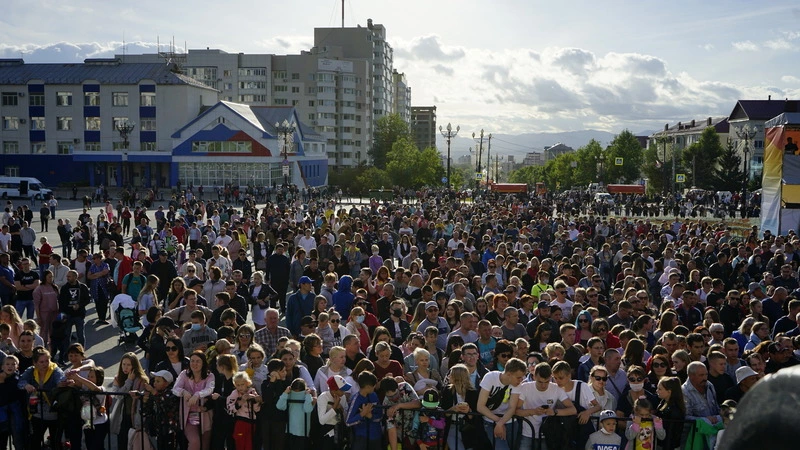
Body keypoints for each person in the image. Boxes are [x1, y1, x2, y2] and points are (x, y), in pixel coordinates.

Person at [515, 361, 578, 450]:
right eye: (540, 382)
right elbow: (516, 411)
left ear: (550, 377)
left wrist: (554, 412)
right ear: (534, 376)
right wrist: (533, 411)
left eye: (547, 382)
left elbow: (573, 410)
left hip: (548, 435)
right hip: (527, 434)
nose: (543, 385)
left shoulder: (557, 389)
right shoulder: (525, 388)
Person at [18, 347, 65, 450]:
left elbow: (61, 379)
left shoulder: (55, 370)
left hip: (54, 413)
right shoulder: (31, 371)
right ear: (35, 363)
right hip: (37, 413)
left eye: (47, 361)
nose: (45, 364)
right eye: (41, 362)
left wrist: (63, 383)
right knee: (35, 441)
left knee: (55, 443)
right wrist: (26, 385)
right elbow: (20, 381)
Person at [476, 357, 525, 450]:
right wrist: (499, 422)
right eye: (518, 377)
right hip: (490, 421)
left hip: (510, 422)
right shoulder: (490, 377)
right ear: (509, 374)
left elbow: (512, 408)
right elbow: (480, 406)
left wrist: (500, 423)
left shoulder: (517, 384)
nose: (521, 380)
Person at [173, 350, 215, 450]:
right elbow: (175, 389)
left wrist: (198, 395)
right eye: (192, 361)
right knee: (195, 441)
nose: (194, 364)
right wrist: (183, 392)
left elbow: (210, 389)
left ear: (203, 363)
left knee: (205, 444)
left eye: (198, 361)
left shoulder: (210, 375)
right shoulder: (184, 374)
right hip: (189, 416)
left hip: (204, 414)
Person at [108, 352, 149, 450]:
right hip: (122, 416)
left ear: (134, 366)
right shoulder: (118, 378)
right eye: (123, 364)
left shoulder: (141, 379)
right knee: (122, 441)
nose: (125, 367)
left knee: (135, 443)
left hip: (135, 416)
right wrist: (129, 381)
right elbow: (118, 396)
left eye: (129, 365)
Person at [57, 270, 90, 363]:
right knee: (66, 336)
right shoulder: (64, 288)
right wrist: (61, 316)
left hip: (79, 315)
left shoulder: (82, 287)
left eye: (69, 276)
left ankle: (81, 354)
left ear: (75, 277)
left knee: (80, 336)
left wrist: (79, 305)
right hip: (68, 315)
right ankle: (66, 354)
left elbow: (87, 299)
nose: (67, 278)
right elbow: (61, 302)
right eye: (67, 276)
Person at [346, 370, 383, 450]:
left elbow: (380, 415)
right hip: (361, 437)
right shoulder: (356, 400)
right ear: (368, 387)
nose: (375, 388)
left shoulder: (374, 395)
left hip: (375, 435)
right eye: (373, 386)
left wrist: (370, 416)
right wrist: (362, 414)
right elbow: (348, 422)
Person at [226, 371, 261, 450]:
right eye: (238, 385)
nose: (240, 387)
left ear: (247, 383)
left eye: (242, 384)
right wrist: (241, 401)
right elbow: (229, 409)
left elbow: (257, 409)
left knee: (249, 444)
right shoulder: (234, 393)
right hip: (241, 422)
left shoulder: (252, 391)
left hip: (252, 422)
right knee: (240, 442)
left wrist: (255, 400)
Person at [317, 375, 350, 450]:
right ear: (334, 390)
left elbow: (346, 416)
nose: (344, 392)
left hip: (340, 431)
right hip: (327, 433)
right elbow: (322, 420)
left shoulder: (343, 397)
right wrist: (334, 407)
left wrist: (340, 408)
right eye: (342, 390)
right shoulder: (323, 397)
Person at [655, 376, 686, 450]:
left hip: (669, 446)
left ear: (669, 391)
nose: (657, 391)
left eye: (660, 389)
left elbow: (671, 434)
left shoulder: (674, 410)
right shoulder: (663, 403)